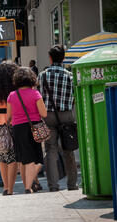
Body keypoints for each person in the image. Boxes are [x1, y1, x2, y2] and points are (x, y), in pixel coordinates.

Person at [38, 45, 78, 192]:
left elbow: (38, 97)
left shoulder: (42, 76)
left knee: (50, 150)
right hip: (67, 115)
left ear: (50, 58)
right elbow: (74, 97)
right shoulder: (70, 75)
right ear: (64, 57)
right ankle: (72, 184)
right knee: (69, 148)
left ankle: (53, 185)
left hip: (48, 116)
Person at [7, 67, 47, 194]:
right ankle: (28, 187)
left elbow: (8, 117)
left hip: (18, 128)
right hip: (33, 126)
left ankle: (27, 185)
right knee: (37, 159)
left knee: (23, 160)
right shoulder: (35, 94)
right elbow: (44, 113)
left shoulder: (12, 95)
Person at [0, 62, 19, 195]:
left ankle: (5, 187)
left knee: (1, 157)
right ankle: (11, 189)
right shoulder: (14, 89)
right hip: (11, 123)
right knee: (12, 158)